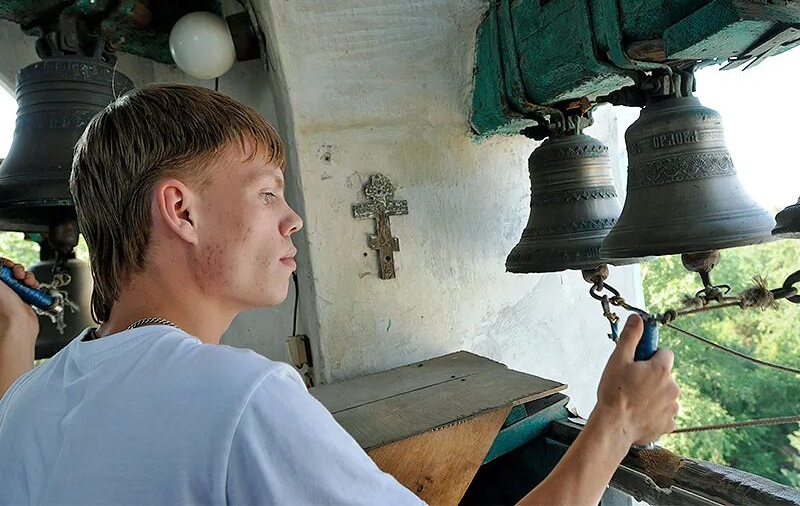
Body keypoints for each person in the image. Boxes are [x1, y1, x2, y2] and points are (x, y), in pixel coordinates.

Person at [0, 83, 679, 505]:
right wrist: (616, 419)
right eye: (267, 192)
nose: (291, 217)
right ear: (181, 210)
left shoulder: (23, 402)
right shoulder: (238, 397)